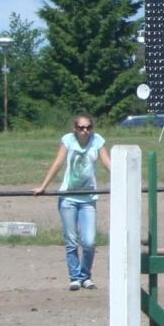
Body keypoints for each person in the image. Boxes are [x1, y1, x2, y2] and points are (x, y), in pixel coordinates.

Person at [33, 113, 112, 290]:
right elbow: (58, 163)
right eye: (81, 128)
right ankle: (75, 277)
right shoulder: (68, 140)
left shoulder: (97, 140)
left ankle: (85, 276)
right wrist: (43, 186)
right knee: (72, 240)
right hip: (68, 198)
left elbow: (107, 163)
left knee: (89, 242)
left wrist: (123, 177)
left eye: (88, 127)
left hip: (88, 198)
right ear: (75, 129)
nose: (85, 131)